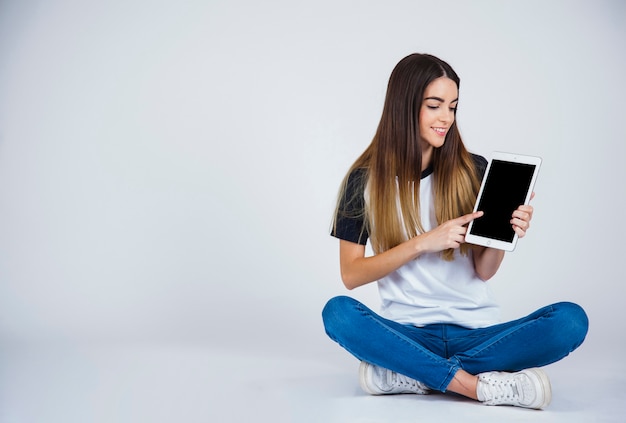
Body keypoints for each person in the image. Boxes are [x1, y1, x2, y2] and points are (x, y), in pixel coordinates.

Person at [321, 53, 588, 409]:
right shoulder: (364, 181)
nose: (446, 118)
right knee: (337, 313)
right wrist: (421, 244)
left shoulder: (474, 170)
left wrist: (504, 238)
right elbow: (351, 275)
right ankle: (475, 386)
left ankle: (412, 374)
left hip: (478, 336)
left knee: (570, 321)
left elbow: (483, 270)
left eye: (453, 107)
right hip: (407, 333)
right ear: (404, 106)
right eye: (435, 106)